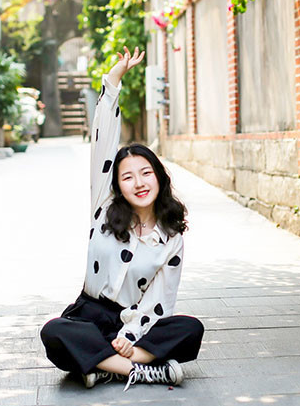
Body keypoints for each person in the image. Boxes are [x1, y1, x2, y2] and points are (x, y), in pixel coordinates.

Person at [40, 47, 204, 391]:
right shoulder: (103, 205)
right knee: (55, 333)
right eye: (128, 176)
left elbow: (161, 299)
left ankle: (102, 366)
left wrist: (129, 337)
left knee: (190, 330)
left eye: (146, 173)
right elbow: (103, 140)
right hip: (89, 315)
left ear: (160, 177)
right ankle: (139, 370)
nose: (139, 183)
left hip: (134, 322)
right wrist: (113, 79)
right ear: (116, 184)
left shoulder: (171, 236)